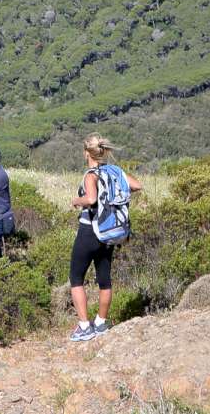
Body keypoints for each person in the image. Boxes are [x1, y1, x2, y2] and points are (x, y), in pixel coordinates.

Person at [68, 134, 142, 342]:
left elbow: (90, 199)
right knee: (104, 278)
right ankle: (101, 322)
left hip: (89, 231)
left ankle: (84, 326)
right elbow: (137, 185)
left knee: (76, 278)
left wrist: (76, 200)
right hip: (109, 232)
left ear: (86, 153)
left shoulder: (91, 175)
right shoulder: (115, 171)